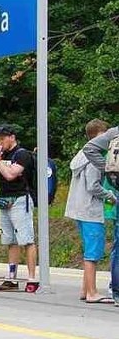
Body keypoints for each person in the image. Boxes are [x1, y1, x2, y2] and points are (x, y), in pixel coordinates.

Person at [0, 124, 36, 290]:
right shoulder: (1, 154)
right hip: (5, 199)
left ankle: (32, 277)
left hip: (20, 199)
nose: (0, 141)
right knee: (10, 240)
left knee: (26, 239)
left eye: (3, 137)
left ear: (12, 137)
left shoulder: (22, 154)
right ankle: (11, 277)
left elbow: (10, 175)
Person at [65, 119, 115, 303]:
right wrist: (110, 196)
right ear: (100, 136)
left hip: (78, 208)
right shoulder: (94, 158)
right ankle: (92, 292)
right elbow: (93, 186)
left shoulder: (81, 155)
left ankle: (85, 289)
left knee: (88, 248)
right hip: (90, 210)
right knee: (93, 252)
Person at [83, 122, 119, 305]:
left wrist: (108, 170)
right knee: (98, 251)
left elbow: (89, 149)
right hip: (91, 210)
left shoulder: (114, 133)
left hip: (87, 208)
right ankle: (98, 291)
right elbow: (93, 185)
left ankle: (114, 290)